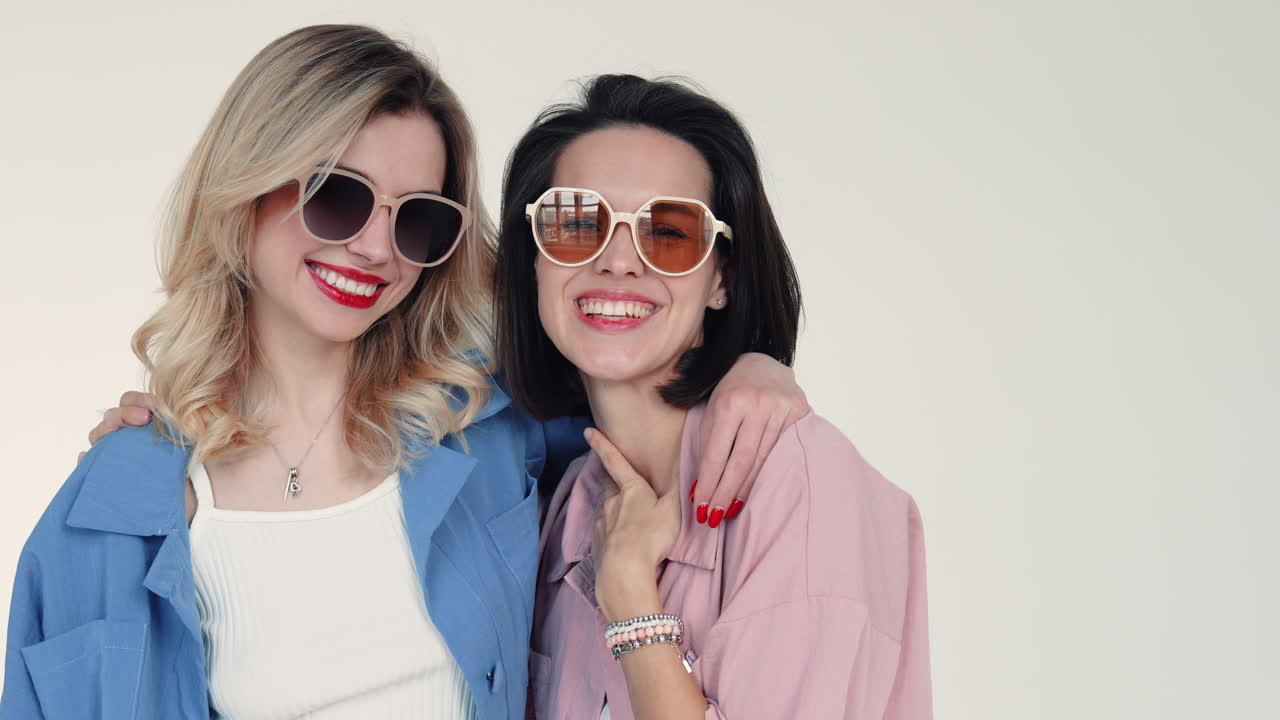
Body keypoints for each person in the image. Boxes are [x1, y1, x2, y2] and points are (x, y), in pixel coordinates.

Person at [0, 28, 807, 720]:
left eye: (418, 217)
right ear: (245, 189)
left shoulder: (496, 431)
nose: (377, 249)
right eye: (338, 198)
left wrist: (752, 364)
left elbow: (649, 399)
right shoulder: (115, 509)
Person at [494, 75, 932, 719]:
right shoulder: (565, 502)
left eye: (669, 233)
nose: (618, 260)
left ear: (721, 278)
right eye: (577, 222)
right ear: (532, 262)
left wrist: (630, 599)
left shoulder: (802, 484)